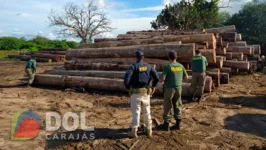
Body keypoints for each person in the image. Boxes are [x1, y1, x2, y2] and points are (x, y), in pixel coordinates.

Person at [124, 50, 160, 138]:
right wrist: (153, 86)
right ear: (143, 57)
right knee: (147, 111)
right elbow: (157, 78)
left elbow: (126, 79)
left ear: (136, 57)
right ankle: (149, 130)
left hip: (135, 93)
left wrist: (129, 88)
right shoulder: (149, 66)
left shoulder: (133, 67)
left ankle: (134, 131)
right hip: (146, 93)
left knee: (136, 112)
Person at [161, 51, 188, 131]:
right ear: (177, 57)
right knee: (177, 104)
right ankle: (178, 123)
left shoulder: (168, 66)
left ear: (169, 57)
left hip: (169, 88)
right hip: (178, 88)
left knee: (167, 105)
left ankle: (166, 124)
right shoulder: (181, 66)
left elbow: (163, 79)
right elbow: (186, 77)